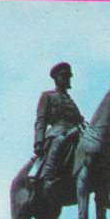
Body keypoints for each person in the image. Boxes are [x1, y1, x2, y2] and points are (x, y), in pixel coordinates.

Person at [33, 62, 85, 191]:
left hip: (75, 132)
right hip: (57, 132)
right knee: (60, 140)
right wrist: (38, 142)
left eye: (68, 77)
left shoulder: (72, 103)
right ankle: (47, 178)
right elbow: (41, 120)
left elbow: (79, 120)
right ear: (56, 79)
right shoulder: (48, 96)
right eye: (63, 76)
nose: (67, 79)